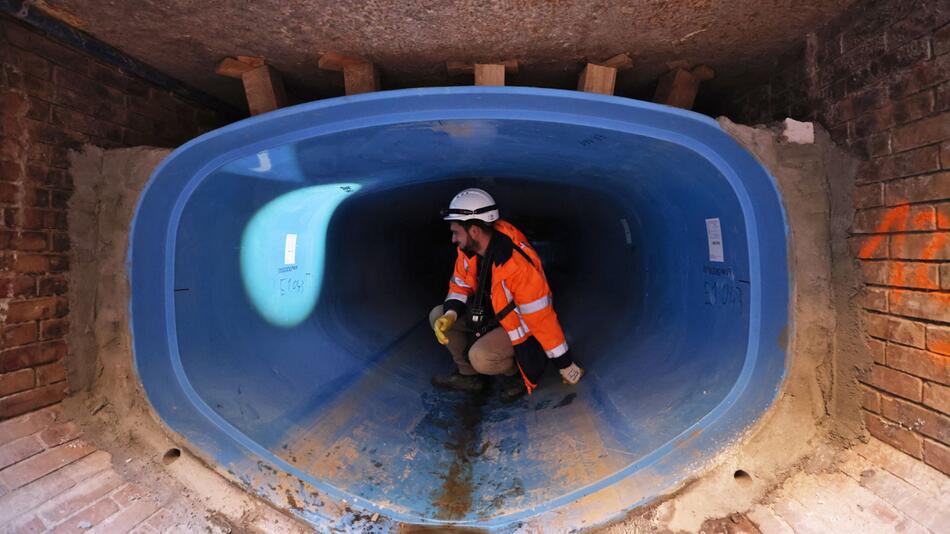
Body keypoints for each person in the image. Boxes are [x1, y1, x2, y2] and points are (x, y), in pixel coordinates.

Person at [428, 187, 583, 402]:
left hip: (517, 325)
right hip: (492, 314)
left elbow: (541, 319)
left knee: (480, 357)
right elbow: (460, 285)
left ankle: (517, 374)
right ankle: (469, 377)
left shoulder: (516, 265)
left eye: (456, 232)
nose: (453, 239)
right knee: (437, 315)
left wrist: (566, 365)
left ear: (474, 231)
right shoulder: (468, 252)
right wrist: (451, 315)